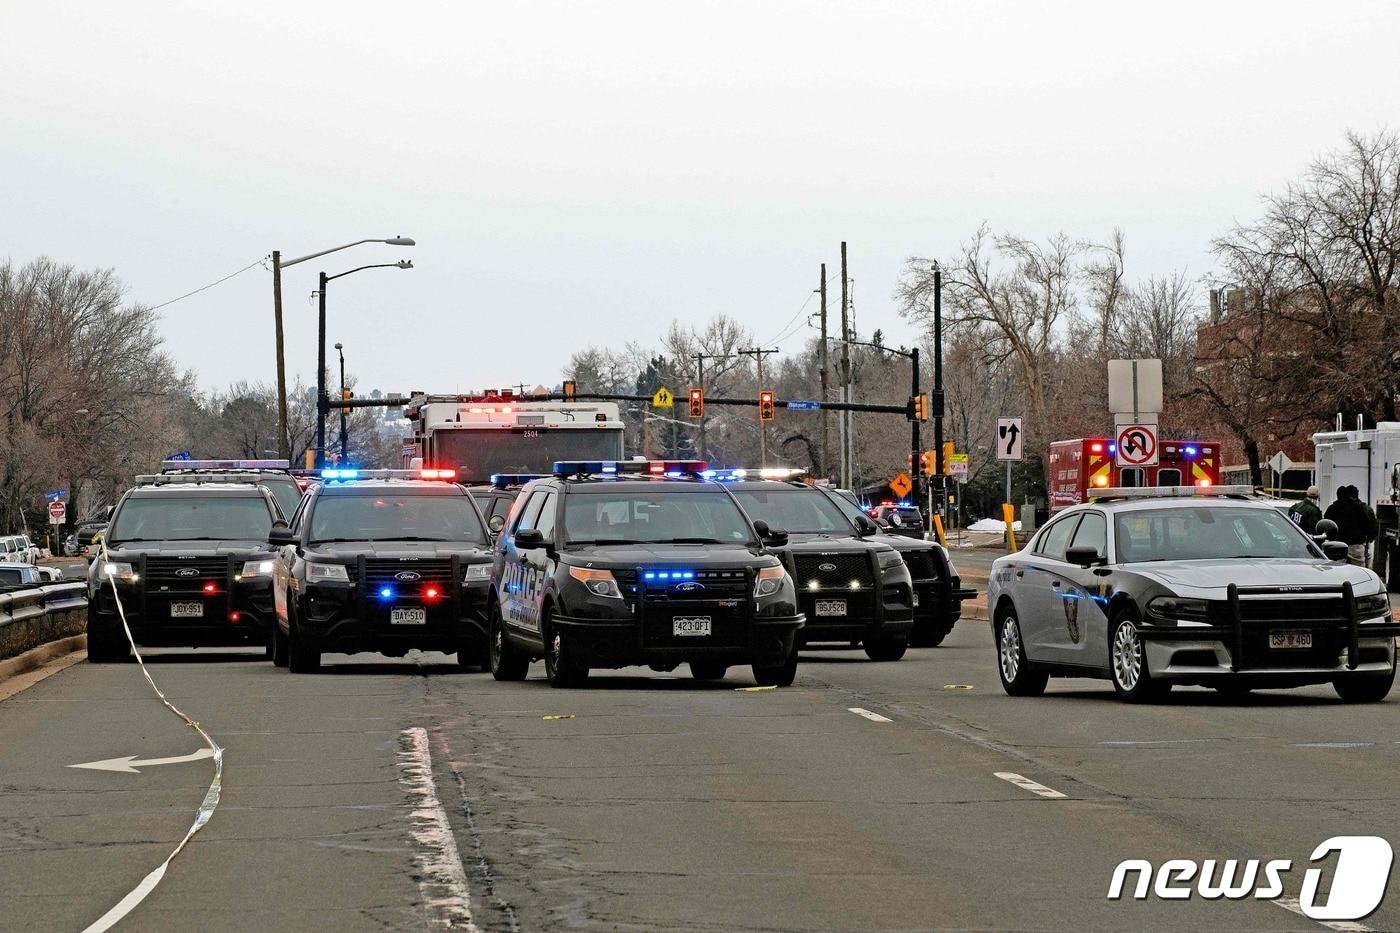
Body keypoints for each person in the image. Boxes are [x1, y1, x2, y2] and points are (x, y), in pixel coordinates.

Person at [1323, 485, 1370, 566]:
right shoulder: (1359, 508)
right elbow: (1366, 524)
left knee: (1336, 571)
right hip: (1355, 545)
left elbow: (1326, 525)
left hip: (1337, 546)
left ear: (1337, 495)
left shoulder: (1332, 509)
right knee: (1358, 572)